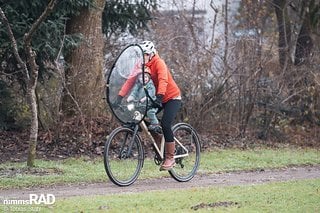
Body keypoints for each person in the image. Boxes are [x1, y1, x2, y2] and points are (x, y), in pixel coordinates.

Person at [115, 41, 181, 171]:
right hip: (156, 98)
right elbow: (130, 80)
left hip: (171, 97)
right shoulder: (140, 64)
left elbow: (163, 80)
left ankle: (170, 157)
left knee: (166, 124)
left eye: (144, 54)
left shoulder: (158, 62)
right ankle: (158, 142)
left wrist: (160, 96)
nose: (142, 57)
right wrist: (119, 97)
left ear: (151, 54)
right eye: (141, 54)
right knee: (145, 120)